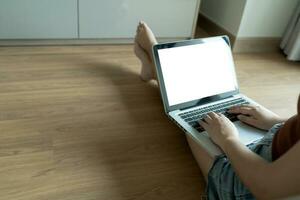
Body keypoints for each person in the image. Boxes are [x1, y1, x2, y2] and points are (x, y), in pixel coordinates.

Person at [134, 21, 300, 199]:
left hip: (252, 186)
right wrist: (277, 122)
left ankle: (154, 57)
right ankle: (153, 66)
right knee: (207, 111)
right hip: (276, 148)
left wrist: (228, 139)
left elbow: (266, 187)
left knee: (194, 121)